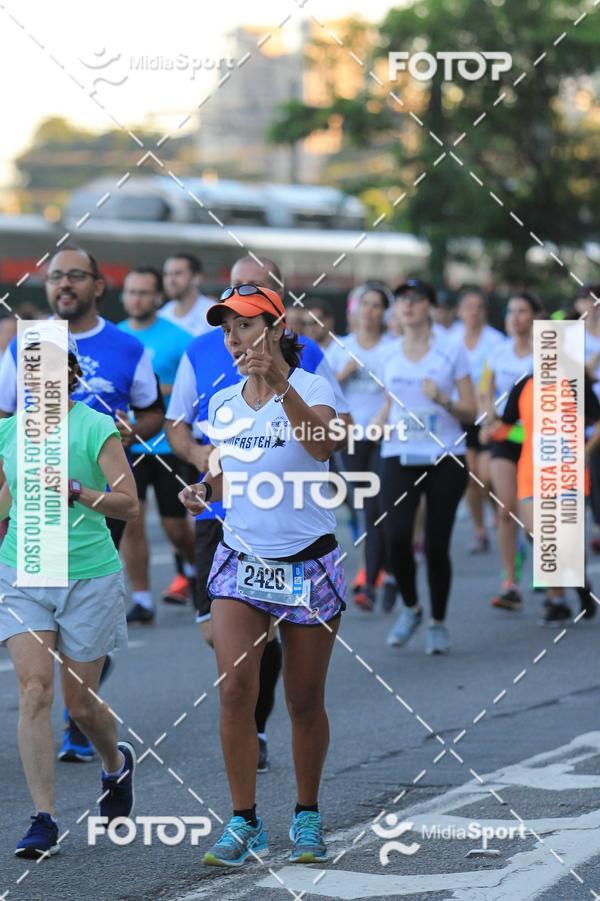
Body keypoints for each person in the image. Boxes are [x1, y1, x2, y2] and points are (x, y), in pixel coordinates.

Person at [178, 285, 345, 867]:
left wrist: (279, 382)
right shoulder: (221, 403)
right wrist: (204, 492)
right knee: (234, 692)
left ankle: (306, 813)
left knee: (303, 699)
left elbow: (323, 446)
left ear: (275, 328)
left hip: (307, 560)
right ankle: (244, 819)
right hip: (240, 558)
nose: (234, 339)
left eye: (246, 326)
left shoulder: (316, 387)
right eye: (227, 329)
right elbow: (225, 474)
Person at [0, 245, 165, 760]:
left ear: (98, 285)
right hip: (33, 505)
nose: (63, 284)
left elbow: (152, 414)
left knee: (81, 615)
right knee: (38, 669)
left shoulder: (128, 347)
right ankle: (62, 699)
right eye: (55, 276)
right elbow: (5, 416)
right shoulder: (23, 347)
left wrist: (112, 440)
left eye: (75, 276)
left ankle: (81, 702)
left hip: (97, 494)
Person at [0, 328, 138, 858]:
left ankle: (114, 764)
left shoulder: (94, 426)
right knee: (35, 690)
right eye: (29, 366)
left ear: (73, 372)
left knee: (81, 705)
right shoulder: (10, 432)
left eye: (51, 364)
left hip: (88, 574)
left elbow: (129, 505)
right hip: (25, 570)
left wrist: (78, 491)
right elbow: (9, 495)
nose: (39, 375)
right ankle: (43, 819)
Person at [375, 279, 476, 654]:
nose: (408, 306)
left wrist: (445, 400)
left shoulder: (451, 351)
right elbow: (390, 402)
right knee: (396, 538)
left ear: (430, 307)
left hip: (445, 455)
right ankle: (412, 607)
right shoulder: (387, 354)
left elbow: (472, 408)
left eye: (416, 300)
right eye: (401, 300)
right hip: (398, 453)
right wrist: (379, 420)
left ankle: (437, 621)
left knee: (436, 544)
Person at [117, 267, 195, 624]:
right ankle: (144, 599)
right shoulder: (115, 337)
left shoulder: (180, 339)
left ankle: (198, 570)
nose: (136, 299)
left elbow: (194, 392)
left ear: (158, 298)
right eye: (131, 292)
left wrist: (156, 392)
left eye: (144, 292)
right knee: (132, 521)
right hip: (124, 446)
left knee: (175, 527)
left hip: (168, 446)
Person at [491, 369, 599, 622]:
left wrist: (585, 452)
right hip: (533, 473)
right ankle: (572, 584)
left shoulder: (577, 382)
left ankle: (559, 598)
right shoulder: (524, 384)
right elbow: (511, 427)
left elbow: (597, 423)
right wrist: (496, 432)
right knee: (536, 532)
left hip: (568, 471)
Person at [329, 282, 396, 611]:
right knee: (367, 508)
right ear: (354, 310)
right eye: (365, 304)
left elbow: (396, 394)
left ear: (385, 313)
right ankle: (377, 578)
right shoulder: (339, 347)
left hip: (385, 436)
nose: (370, 311)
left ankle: (378, 578)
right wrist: (343, 374)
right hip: (351, 438)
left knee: (379, 508)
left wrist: (383, 416)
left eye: (377, 306)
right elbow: (322, 394)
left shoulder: (393, 348)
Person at [481, 292, 539, 611]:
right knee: (507, 508)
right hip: (505, 434)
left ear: (535, 316)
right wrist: (487, 418)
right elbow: (485, 391)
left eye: (522, 311)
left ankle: (553, 569)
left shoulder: (545, 354)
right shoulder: (498, 353)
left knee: (534, 515)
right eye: (511, 311)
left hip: (537, 437)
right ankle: (510, 581)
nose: (515, 317)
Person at [456, 288, 505, 553]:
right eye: (469, 307)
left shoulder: (495, 341)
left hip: (488, 415)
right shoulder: (452, 340)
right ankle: (480, 529)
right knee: (471, 478)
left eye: (479, 307)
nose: (474, 312)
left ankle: (500, 514)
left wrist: (490, 410)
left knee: (487, 477)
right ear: (460, 311)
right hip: (462, 416)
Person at [159, 252, 214, 337]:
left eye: (178, 273)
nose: (171, 281)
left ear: (197, 278)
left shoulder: (213, 314)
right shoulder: (162, 315)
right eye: (167, 274)